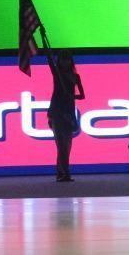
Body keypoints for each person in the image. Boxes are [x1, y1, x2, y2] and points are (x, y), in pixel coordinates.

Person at [47, 50, 85, 182]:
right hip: (56, 111)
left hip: (69, 112)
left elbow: (82, 95)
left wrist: (72, 96)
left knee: (67, 145)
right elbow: (51, 63)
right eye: (63, 59)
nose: (65, 62)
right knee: (61, 144)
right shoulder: (57, 74)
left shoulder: (75, 76)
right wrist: (47, 52)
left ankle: (61, 172)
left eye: (67, 59)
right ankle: (64, 172)